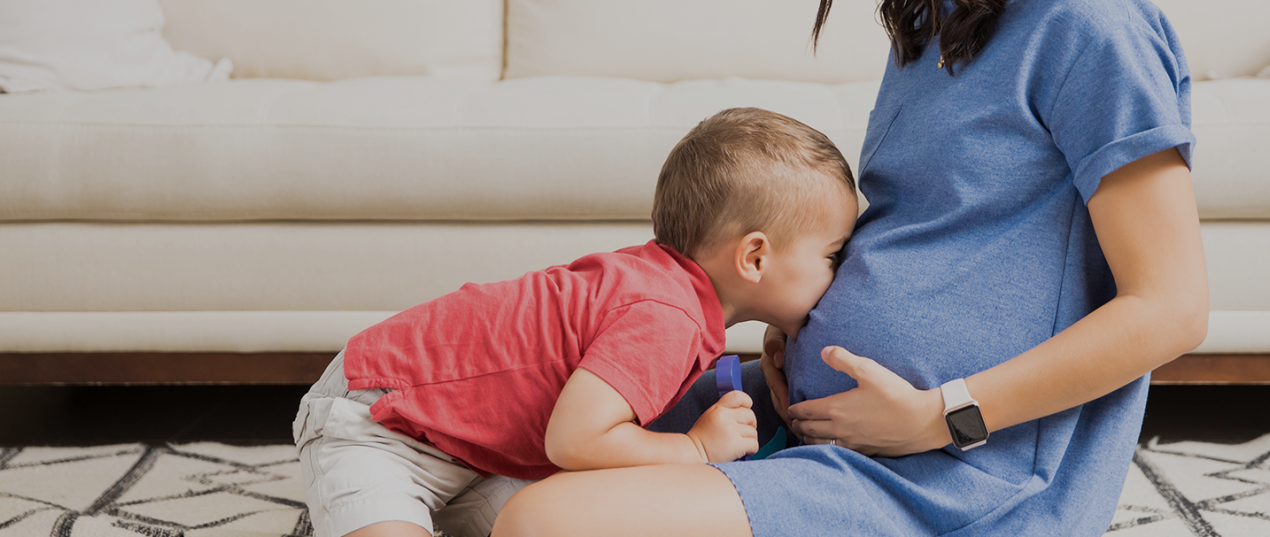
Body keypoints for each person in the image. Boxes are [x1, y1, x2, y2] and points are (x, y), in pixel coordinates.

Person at [490, 0, 1209, 535]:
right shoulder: (939, 14)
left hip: (949, 473)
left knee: (542, 520)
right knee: (517, 436)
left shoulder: (1085, 17)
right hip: (824, 421)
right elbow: (925, 231)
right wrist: (795, 322)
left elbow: (1170, 309)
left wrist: (945, 416)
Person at [293, 107, 859, 537]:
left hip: (477, 451)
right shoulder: (666, 316)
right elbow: (575, 439)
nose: (843, 273)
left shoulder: (669, 295)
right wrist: (695, 449)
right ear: (755, 258)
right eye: (833, 255)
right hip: (384, 417)